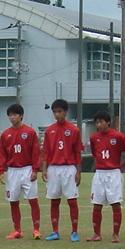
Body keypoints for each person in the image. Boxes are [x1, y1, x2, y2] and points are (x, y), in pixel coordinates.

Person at [0, 103, 42, 239]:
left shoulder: (30, 132)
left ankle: (36, 230)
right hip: (13, 171)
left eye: (15, 115)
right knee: (13, 201)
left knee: (33, 200)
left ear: (21, 116)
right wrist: (0, 170)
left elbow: (35, 152)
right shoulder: (6, 134)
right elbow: (2, 153)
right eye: (10, 115)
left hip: (27, 169)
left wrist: (35, 169)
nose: (12, 117)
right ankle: (17, 230)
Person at [41, 98, 83, 241]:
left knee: (72, 201)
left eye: (59, 111)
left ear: (65, 112)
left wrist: (78, 171)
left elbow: (77, 152)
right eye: (55, 112)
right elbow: (46, 151)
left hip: (68, 168)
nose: (57, 114)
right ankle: (55, 231)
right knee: (54, 200)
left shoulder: (74, 130)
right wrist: (44, 168)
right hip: (53, 169)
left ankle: (74, 232)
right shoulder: (49, 130)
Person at [88, 109, 125, 242]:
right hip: (100, 173)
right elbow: (95, 153)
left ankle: (115, 234)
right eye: (97, 122)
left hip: (113, 173)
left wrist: (122, 166)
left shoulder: (118, 136)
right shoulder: (94, 138)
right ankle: (96, 234)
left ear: (108, 122)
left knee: (115, 203)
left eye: (101, 122)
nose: (99, 125)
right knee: (96, 203)